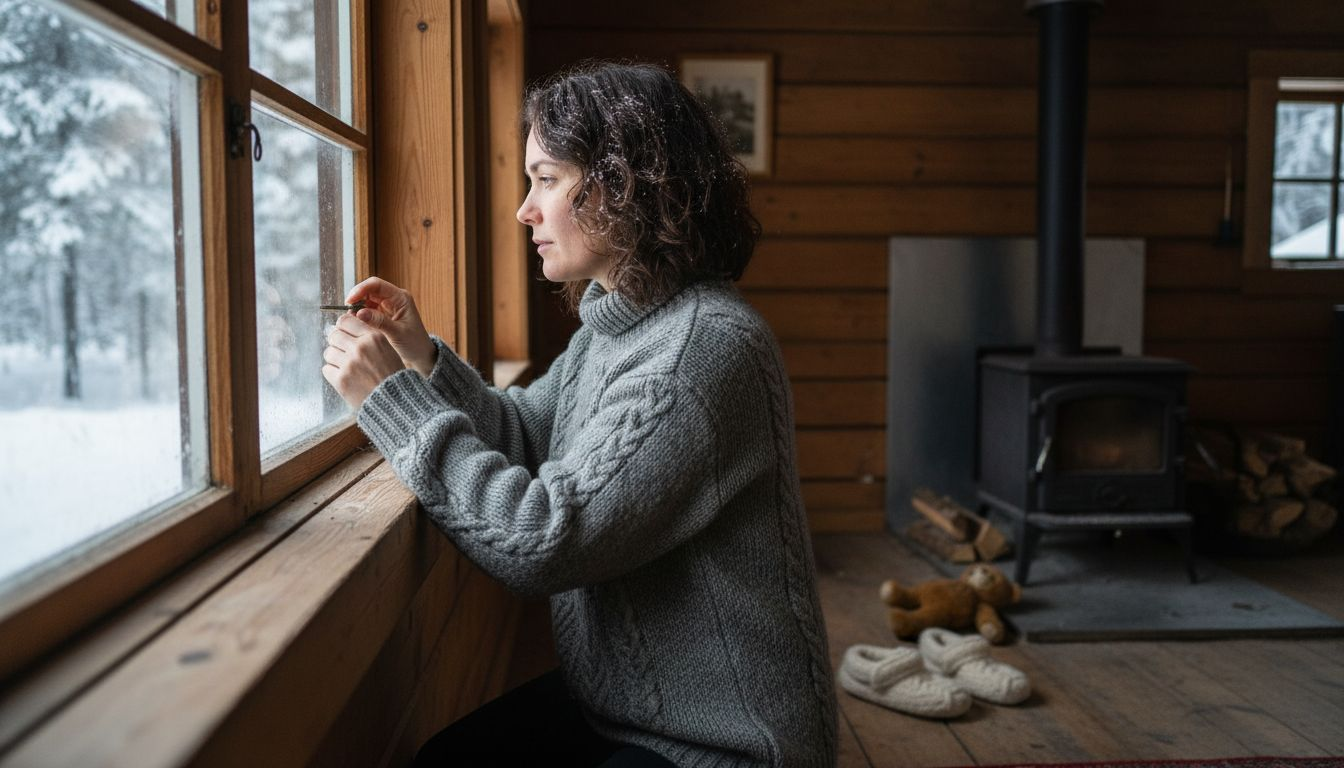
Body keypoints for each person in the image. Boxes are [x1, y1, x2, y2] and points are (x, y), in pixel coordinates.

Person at [321, 61, 837, 767]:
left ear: (626, 184)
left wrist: (391, 403)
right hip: (622, 707)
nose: (524, 210)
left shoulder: (701, 350)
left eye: (546, 178)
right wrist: (419, 356)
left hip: (724, 745)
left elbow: (543, 539)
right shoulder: (618, 327)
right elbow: (527, 436)